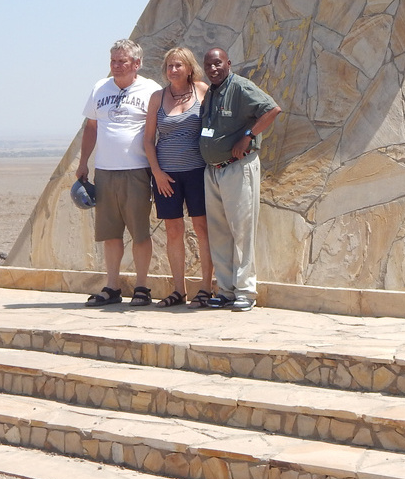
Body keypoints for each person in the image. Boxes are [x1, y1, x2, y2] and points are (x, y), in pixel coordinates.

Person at [76, 39, 158, 307]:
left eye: (122, 61)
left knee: (140, 233)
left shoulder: (151, 90)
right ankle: (112, 286)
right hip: (106, 172)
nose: (117, 66)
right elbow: (91, 127)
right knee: (110, 233)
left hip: (137, 170)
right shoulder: (100, 88)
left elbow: (161, 131)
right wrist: (83, 161)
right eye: (113, 61)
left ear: (137, 63)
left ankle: (142, 287)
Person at [199, 47, 280, 311]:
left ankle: (245, 291)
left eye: (218, 63)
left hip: (237, 168)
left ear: (228, 63)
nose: (213, 68)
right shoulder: (211, 93)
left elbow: (271, 109)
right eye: (208, 65)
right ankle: (225, 290)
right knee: (219, 233)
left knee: (241, 231)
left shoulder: (241, 87)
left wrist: (248, 135)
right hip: (213, 171)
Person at [142, 47, 213, 308]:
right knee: (174, 231)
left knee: (202, 229)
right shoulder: (157, 98)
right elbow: (148, 140)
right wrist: (157, 173)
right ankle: (178, 290)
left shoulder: (202, 91)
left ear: (189, 67)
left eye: (178, 66)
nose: (173, 70)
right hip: (166, 176)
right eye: (170, 66)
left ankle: (206, 288)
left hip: (197, 172)